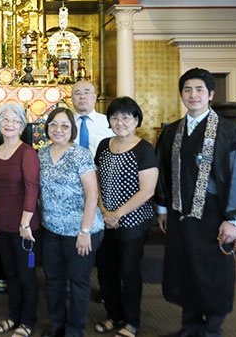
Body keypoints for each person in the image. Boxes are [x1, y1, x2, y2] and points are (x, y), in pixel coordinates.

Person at [155, 68, 236, 337]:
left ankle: (212, 329)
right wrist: (163, 207)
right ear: (181, 95)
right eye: (187, 90)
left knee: (213, 273)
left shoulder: (228, 132)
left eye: (200, 89)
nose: (193, 95)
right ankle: (189, 326)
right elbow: (164, 172)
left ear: (211, 94)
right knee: (185, 269)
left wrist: (233, 219)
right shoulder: (172, 132)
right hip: (180, 215)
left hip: (215, 216)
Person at [93, 97, 159, 337]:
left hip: (133, 222)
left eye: (126, 117)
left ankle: (131, 321)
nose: (120, 122)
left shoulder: (144, 149)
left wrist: (117, 214)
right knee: (106, 270)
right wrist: (103, 210)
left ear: (136, 120)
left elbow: (148, 190)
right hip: (105, 220)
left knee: (129, 272)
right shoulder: (103, 145)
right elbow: (96, 180)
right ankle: (113, 316)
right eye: (115, 117)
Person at [39, 107, 104, 337]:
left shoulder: (80, 154)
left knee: (78, 282)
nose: (58, 130)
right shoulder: (41, 154)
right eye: (54, 124)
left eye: (65, 125)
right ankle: (57, 326)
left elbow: (92, 195)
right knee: (54, 281)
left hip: (80, 231)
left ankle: (74, 331)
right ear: (47, 127)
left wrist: (85, 231)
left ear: (72, 130)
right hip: (51, 230)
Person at [0, 103, 40, 337]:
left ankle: (27, 322)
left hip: (25, 228)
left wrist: (25, 224)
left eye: (15, 120)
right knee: (9, 272)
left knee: (26, 275)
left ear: (22, 125)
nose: (9, 124)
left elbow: (32, 189)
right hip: (2, 223)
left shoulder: (27, 153)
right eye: (5, 120)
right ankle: (13, 316)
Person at [71, 80, 115, 157]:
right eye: (78, 93)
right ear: (72, 98)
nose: (82, 97)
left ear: (94, 97)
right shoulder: (67, 124)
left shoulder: (108, 122)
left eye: (86, 92)